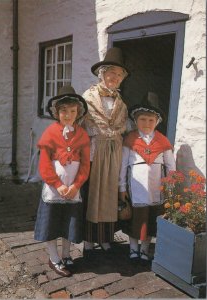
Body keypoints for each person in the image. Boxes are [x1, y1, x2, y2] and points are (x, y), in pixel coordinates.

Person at [34, 86, 90, 277]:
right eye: (64, 111)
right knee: (52, 223)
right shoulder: (50, 133)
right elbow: (44, 164)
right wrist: (58, 184)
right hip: (54, 188)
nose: (68, 115)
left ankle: (66, 254)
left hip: (73, 189)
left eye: (72, 111)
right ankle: (54, 257)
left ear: (78, 112)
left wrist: (76, 185)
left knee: (69, 222)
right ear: (57, 112)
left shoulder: (81, 135)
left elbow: (84, 165)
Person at [81, 47, 130, 255]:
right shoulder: (88, 97)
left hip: (113, 152)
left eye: (119, 75)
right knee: (93, 193)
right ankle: (89, 239)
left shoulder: (121, 103)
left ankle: (105, 237)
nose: (115, 77)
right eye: (112, 73)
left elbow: (124, 126)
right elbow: (83, 124)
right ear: (102, 73)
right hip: (94, 152)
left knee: (109, 194)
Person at [119, 98, 176, 264]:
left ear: (157, 122)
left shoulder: (162, 140)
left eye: (151, 120)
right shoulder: (130, 139)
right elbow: (123, 166)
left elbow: (170, 165)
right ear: (136, 121)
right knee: (135, 218)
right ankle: (133, 249)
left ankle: (144, 249)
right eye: (143, 119)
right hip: (135, 187)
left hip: (155, 188)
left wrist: (170, 186)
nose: (147, 123)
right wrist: (121, 186)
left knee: (150, 219)